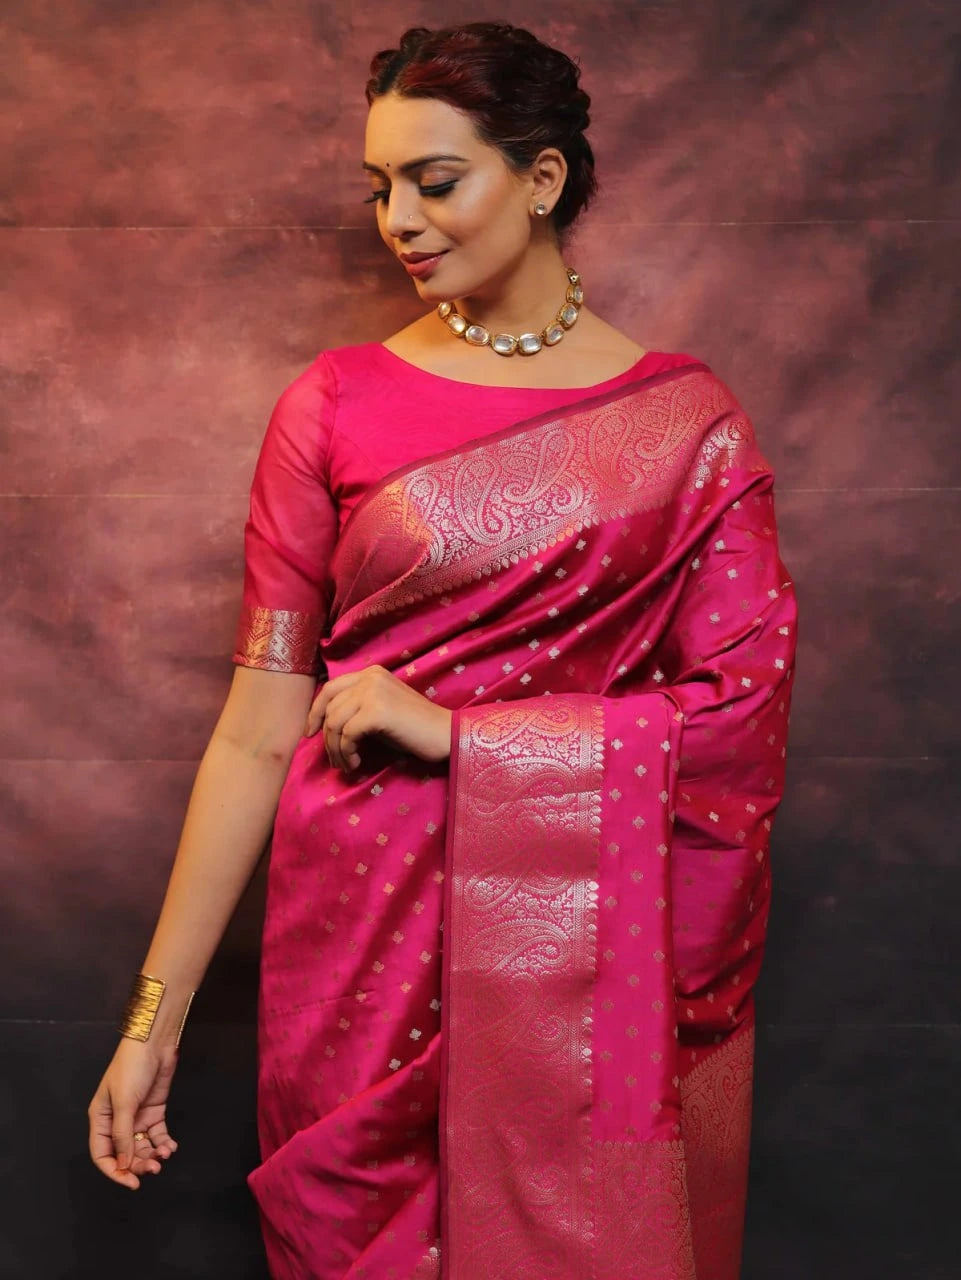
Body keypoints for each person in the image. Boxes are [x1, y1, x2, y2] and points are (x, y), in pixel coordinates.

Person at [87, 21, 797, 1280]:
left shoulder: (689, 427)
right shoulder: (332, 404)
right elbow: (258, 723)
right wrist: (155, 1018)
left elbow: (738, 713)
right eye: (379, 187)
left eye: (434, 180)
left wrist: (464, 737)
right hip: (356, 948)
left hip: (574, 970)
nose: (398, 220)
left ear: (541, 179)